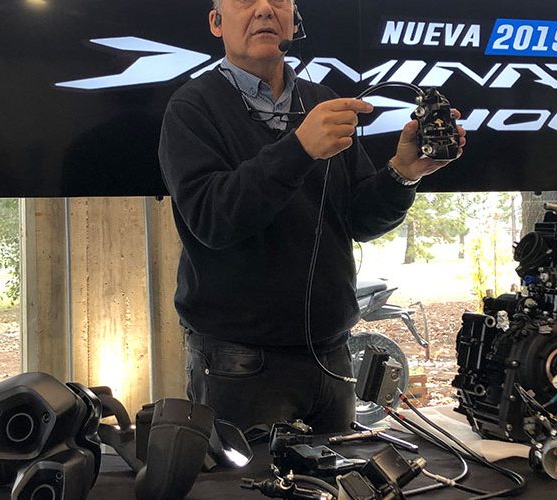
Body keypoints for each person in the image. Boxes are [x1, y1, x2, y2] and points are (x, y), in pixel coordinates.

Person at [157, 0, 465, 433]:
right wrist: (299, 148)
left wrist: (402, 173)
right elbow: (212, 219)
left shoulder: (322, 103)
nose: (265, 9)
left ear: (294, 18)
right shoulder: (192, 107)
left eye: (279, 0)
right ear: (216, 21)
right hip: (238, 363)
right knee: (248, 475)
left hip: (333, 354)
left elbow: (359, 220)